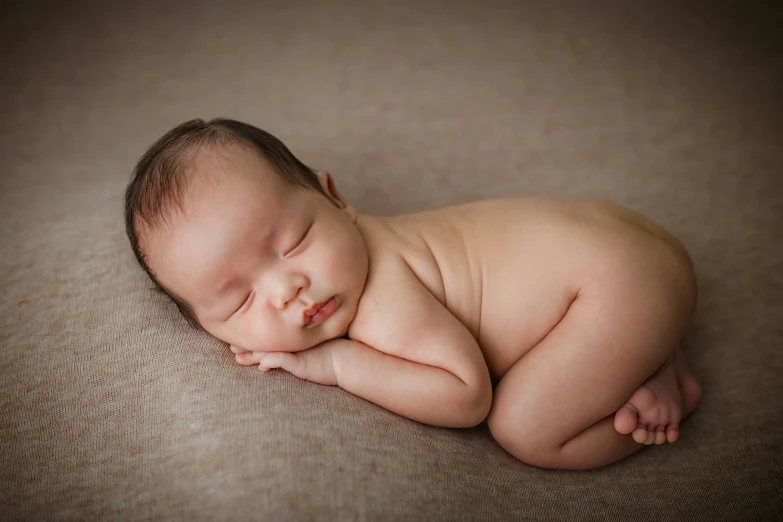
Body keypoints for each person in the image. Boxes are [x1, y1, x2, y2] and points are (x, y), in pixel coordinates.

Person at [124, 118, 702, 470]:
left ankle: (663, 378)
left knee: (525, 430)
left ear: (335, 197)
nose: (286, 289)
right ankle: (643, 344)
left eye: (295, 241)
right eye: (238, 302)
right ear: (207, 327)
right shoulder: (370, 237)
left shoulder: (383, 297)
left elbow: (464, 395)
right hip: (615, 236)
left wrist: (335, 363)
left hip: (615, 284)